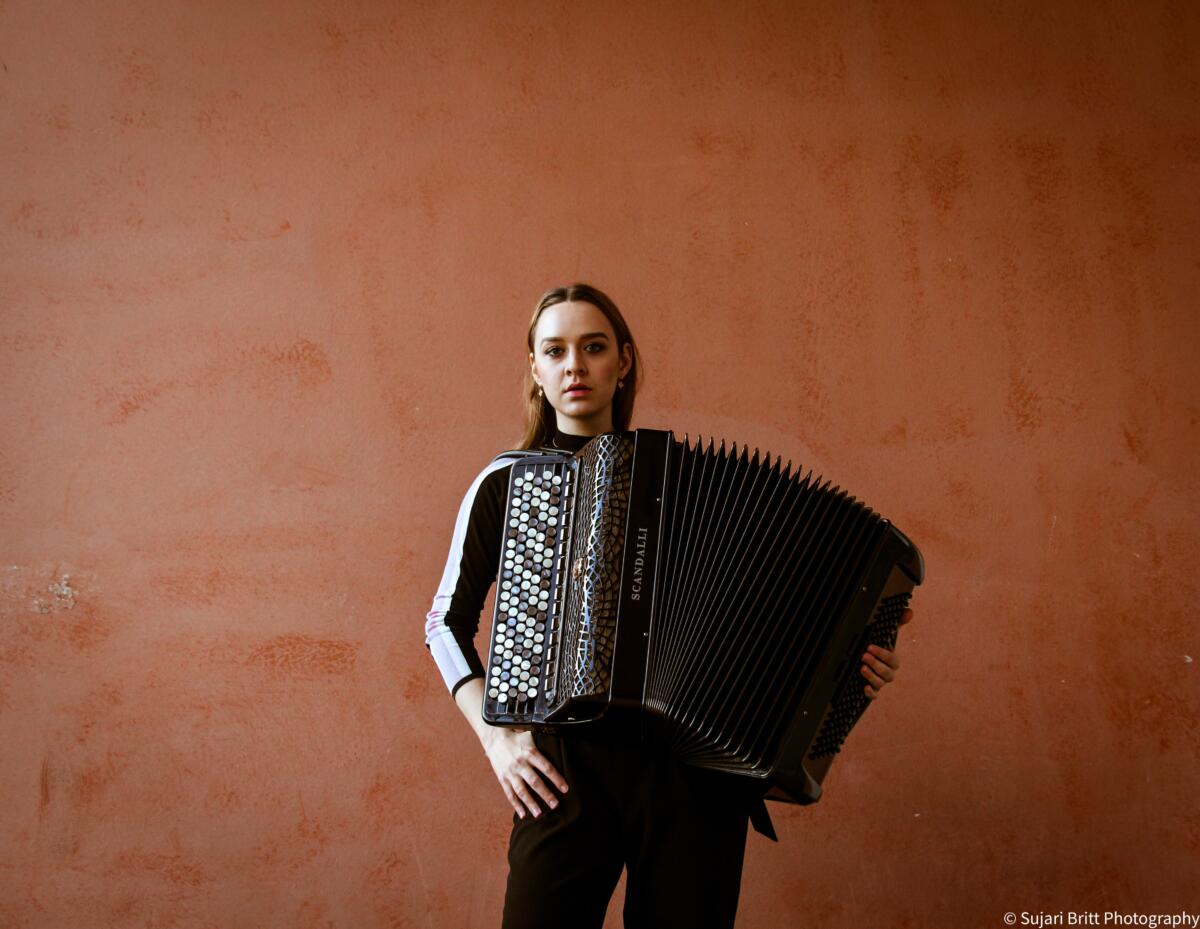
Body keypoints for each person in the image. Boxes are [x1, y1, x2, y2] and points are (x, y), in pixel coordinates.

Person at [424, 282, 913, 929]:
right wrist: (497, 737)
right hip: (566, 769)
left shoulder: (687, 484)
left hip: (696, 774)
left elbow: (782, 622)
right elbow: (444, 622)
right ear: (535, 369)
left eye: (593, 347)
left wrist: (856, 663)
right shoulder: (507, 483)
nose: (576, 364)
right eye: (556, 350)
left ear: (622, 361)